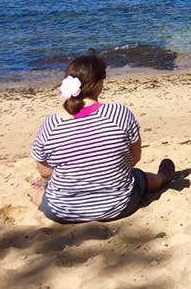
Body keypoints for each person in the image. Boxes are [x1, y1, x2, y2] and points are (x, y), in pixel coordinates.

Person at [29, 54, 175, 223]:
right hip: (118, 206)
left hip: (64, 212)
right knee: (139, 177)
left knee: (40, 193)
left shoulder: (52, 124)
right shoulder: (119, 114)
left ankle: (40, 193)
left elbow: (45, 172)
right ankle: (162, 178)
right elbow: (135, 158)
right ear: (99, 83)